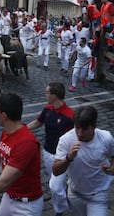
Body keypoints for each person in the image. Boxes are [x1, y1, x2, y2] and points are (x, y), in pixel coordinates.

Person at [52, 106, 114, 216]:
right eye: (77, 128)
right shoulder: (66, 140)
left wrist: (113, 168)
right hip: (75, 193)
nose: (79, 133)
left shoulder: (105, 137)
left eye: (84, 129)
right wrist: (68, 158)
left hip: (98, 193)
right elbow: (56, 171)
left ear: (94, 126)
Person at [27, 82, 74, 216]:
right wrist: (23, 129)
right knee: (55, 181)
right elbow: (38, 122)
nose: (45, 95)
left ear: (55, 96)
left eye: (48, 92)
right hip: (48, 152)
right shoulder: (47, 109)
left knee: (55, 185)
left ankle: (59, 210)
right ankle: (64, 194)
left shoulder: (70, 115)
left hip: (64, 157)